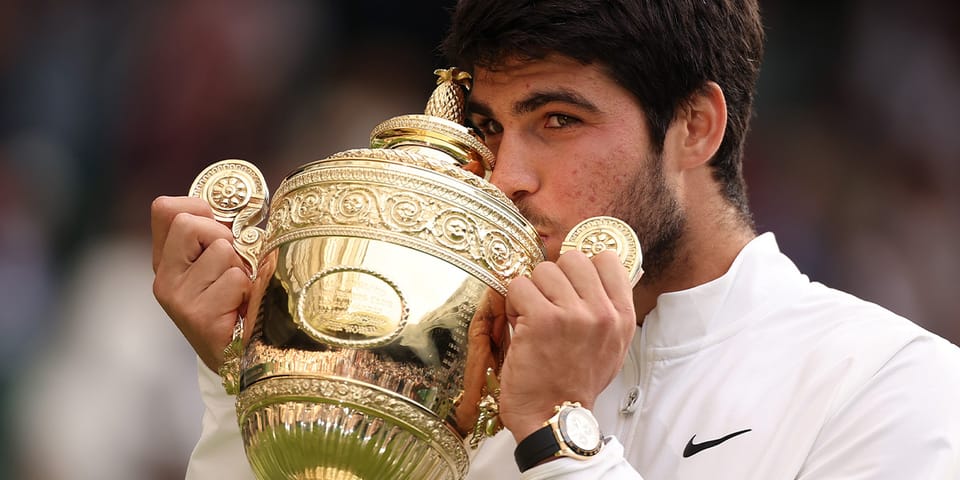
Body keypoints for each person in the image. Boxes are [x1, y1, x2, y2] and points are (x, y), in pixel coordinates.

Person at [151, 0, 960, 478]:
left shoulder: (887, 383)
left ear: (696, 127)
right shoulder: (455, 366)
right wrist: (254, 377)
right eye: (490, 127)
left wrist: (557, 437)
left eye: (559, 121)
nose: (505, 175)